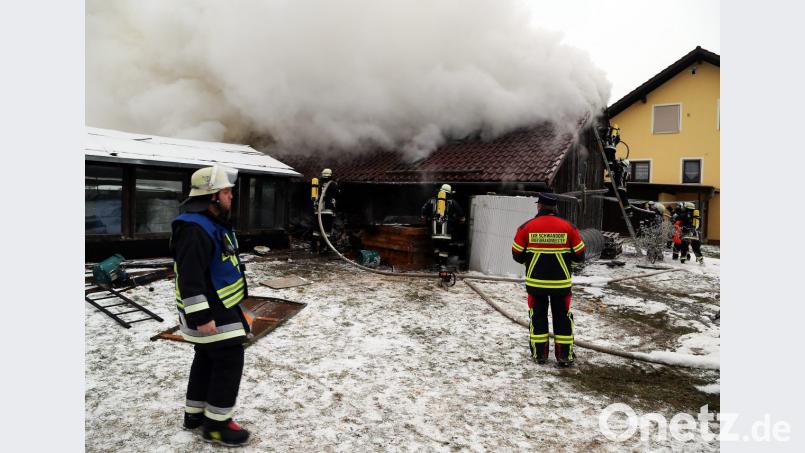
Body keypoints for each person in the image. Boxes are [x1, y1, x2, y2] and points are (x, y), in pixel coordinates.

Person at [170, 165, 251, 446]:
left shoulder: (211, 223)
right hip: (209, 310)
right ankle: (217, 425)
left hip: (220, 304)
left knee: (206, 356)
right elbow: (190, 279)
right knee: (229, 358)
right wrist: (202, 316)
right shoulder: (194, 230)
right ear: (212, 196)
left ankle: (195, 415)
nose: (231, 196)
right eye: (227, 192)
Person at [511, 193, 585, 367]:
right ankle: (564, 356)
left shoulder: (526, 227)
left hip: (536, 284)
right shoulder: (569, 227)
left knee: (537, 317)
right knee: (562, 318)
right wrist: (568, 265)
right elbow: (580, 255)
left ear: (539, 207)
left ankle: (540, 355)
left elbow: (517, 255)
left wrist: (530, 262)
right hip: (561, 284)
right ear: (555, 208)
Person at [420, 184, 466, 271]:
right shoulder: (453, 202)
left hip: (434, 232)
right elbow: (462, 216)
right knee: (444, 249)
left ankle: (437, 264)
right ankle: (443, 265)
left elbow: (423, 211)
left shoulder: (431, 201)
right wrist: (459, 222)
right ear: (449, 193)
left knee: (436, 248)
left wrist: (425, 219)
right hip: (446, 233)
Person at [310, 168, 340, 253]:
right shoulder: (333, 184)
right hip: (328, 211)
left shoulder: (318, 183)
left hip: (318, 211)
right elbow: (338, 195)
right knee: (326, 231)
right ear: (330, 175)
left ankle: (314, 249)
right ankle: (323, 249)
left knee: (316, 231)